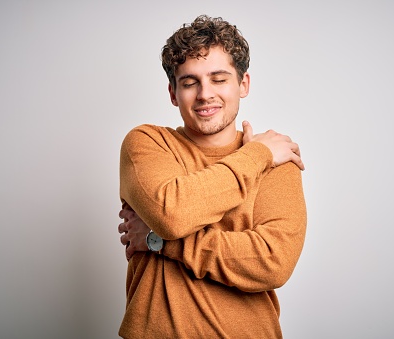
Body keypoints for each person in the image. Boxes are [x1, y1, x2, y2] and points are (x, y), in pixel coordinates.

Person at [117, 15, 307, 338]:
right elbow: (171, 213)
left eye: (219, 79)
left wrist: (160, 242)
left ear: (243, 84)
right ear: (173, 92)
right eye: (190, 82)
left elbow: (272, 262)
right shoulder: (147, 144)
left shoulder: (279, 160)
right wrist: (255, 157)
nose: (205, 94)